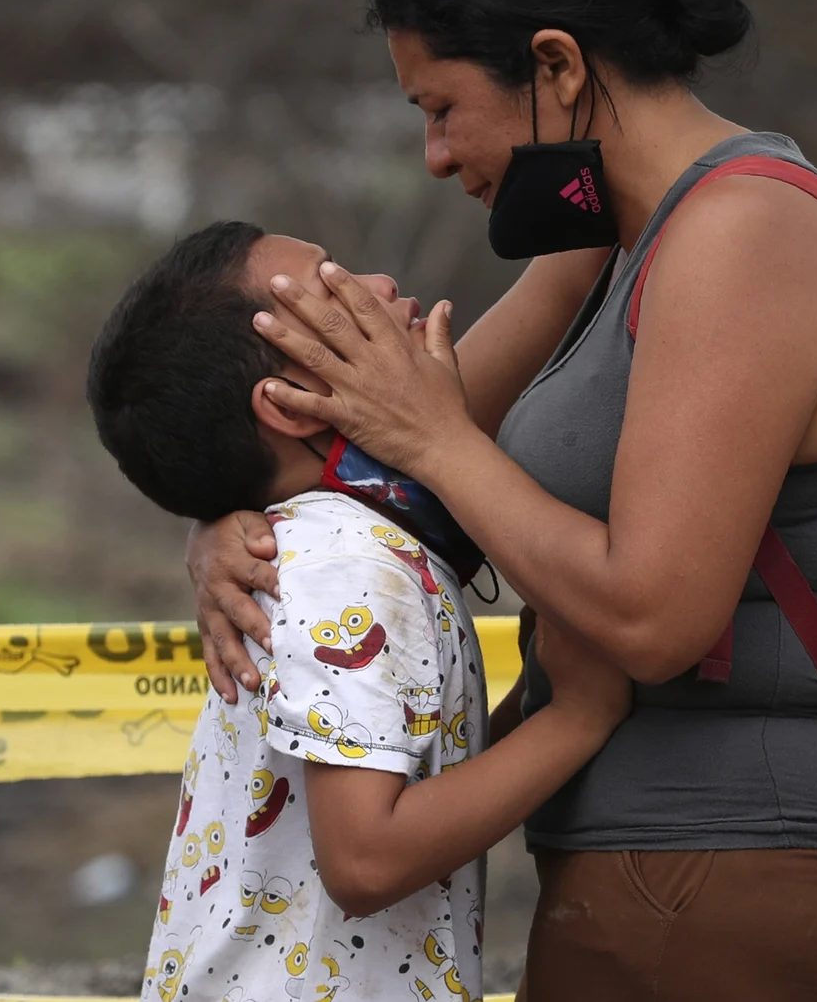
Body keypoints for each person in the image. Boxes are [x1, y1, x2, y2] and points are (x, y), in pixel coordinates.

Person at [188, 0, 817, 998]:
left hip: (729, 858)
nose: (435, 156)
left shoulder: (742, 236)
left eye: (439, 108)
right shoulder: (616, 241)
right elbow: (372, 469)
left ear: (556, 67)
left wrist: (436, 437)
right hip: (658, 864)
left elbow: (655, 615)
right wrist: (229, 523)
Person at [87, 220, 631, 1002]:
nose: (376, 289)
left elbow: (406, 789)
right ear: (290, 404)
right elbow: (369, 857)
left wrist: (534, 707)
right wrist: (577, 718)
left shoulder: (343, 543)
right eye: (334, 286)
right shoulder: (341, 567)